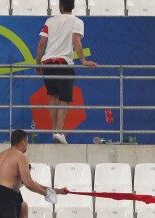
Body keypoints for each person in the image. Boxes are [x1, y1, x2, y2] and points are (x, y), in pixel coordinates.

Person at [35, 0, 98, 144]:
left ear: (60, 6)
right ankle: (58, 131)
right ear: (73, 7)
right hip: (63, 63)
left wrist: (38, 64)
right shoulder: (77, 22)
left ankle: (55, 131)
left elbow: (41, 44)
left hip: (48, 63)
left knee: (53, 96)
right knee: (64, 99)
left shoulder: (50, 21)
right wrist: (83, 60)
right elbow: (76, 40)